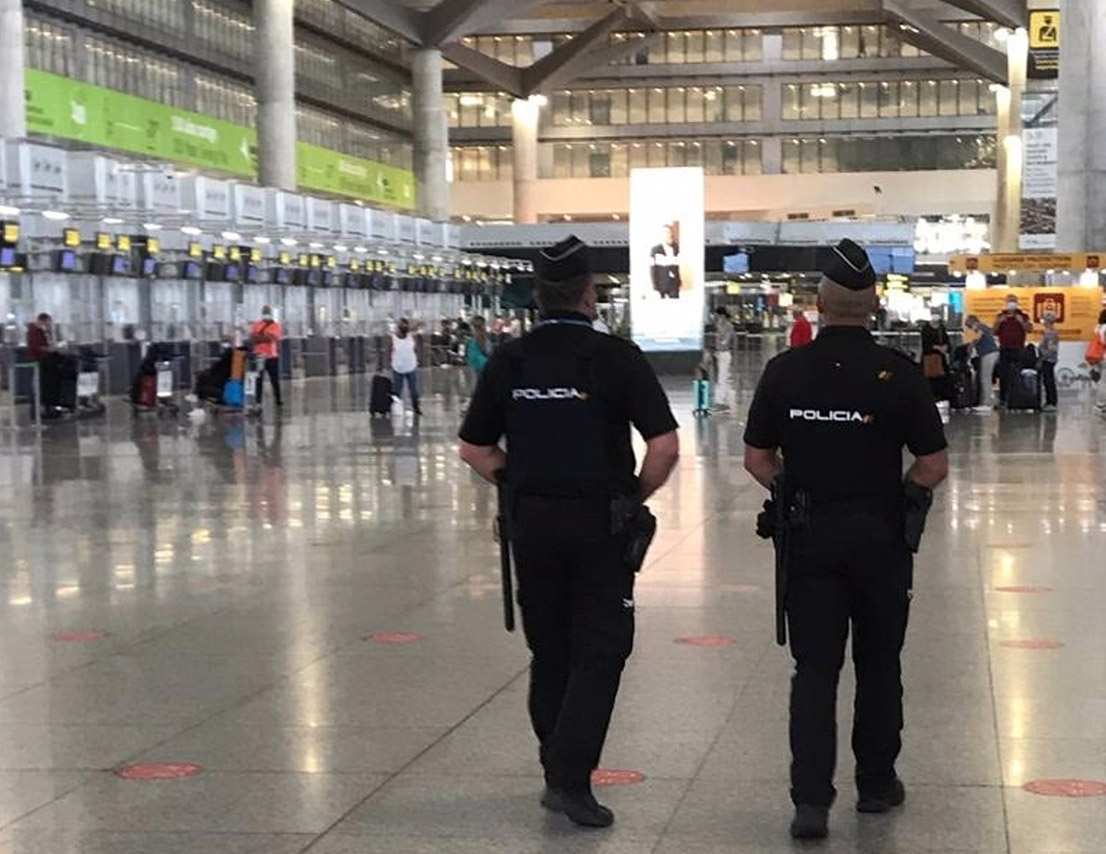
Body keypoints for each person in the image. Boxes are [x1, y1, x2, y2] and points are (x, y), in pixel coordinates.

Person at [458, 235, 680, 829]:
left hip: (531, 523)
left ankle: (555, 768)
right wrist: (633, 496)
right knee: (601, 649)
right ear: (589, 294)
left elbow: (474, 448)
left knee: (550, 648)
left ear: (538, 295)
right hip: (599, 523)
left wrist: (518, 482)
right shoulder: (617, 358)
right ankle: (571, 778)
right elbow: (663, 446)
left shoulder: (510, 360)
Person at [743, 239, 949, 841]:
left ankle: (811, 802)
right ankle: (877, 786)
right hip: (881, 538)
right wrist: (902, 496)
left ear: (820, 303)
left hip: (809, 537)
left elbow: (757, 457)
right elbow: (933, 464)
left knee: (814, 669)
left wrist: (789, 490)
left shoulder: (785, 371)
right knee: (879, 663)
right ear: (873, 304)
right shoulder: (900, 374)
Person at [994, 297, 1032, 405]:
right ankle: (1003, 398)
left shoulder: (1023, 316)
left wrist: (1022, 322)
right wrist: (999, 322)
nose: (1011, 304)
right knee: (1003, 374)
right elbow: (994, 331)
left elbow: (1029, 329)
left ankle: (1017, 397)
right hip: (1004, 348)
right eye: (1009, 302)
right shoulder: (1001, 316)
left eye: (1013, 302)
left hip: (1018, 349)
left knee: (1018, 373)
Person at [249, 306, 283, 408]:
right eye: (264, 312)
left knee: (274, 379)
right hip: (259, 356)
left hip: (272, 356)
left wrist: (260, 338)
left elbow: (272, 338)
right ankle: (258, 401)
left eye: (267, 312)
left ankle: (278, 400)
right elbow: (253, 338)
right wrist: (264, 337)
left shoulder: (276, 325)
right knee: (258, 379)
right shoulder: (257, 324)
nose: (266, 314)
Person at [965, 315, 999, 412]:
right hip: (991, 353)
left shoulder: (980, 327)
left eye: (969, 325)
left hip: (988, 354)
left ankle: (987, 403)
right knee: (986, 378)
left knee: (985, 378)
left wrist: (971, 345)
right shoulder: (984, 327)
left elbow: (978, 337)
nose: (970, 328)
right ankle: (993, 401)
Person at [390, 318, 422, 416]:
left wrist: (418, 358)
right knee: (399, 390)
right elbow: (389, 351)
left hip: (408, 366)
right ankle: (393, 407)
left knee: (412, 389)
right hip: (400, 367)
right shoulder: (394, 338)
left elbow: (416, 349)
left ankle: (415, 407)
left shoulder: (410, 336)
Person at [920, 313, 951, 401]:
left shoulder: (941, 329)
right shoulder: (926, 330)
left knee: (940, 378)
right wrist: (939, 348)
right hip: (930, 358)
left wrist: (945, 347)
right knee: (932, 379)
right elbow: (926, 345)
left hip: (939, 358)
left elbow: (947, 342)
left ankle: (940, 396)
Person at [650, 223, 681, 299]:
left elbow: (677, 266)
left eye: (669, 232)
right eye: (666, 233)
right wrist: (655, 288)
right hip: (661, 284)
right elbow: (653, 269)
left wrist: (679, 281)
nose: (668, 235)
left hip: (674, 283)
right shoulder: (655, 250)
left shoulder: (676, 247)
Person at [713, 306, 734, 410]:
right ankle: (722, 401)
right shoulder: (720, 325)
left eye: (717, 316)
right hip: (720, 353)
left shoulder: (727, 326)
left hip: (724, 353)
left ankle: (721, 402)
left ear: (722, 316)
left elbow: (725, 340)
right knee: (721, 377)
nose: (716, 318)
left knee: (722, 377)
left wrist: (720, 347)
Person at [1038, 312, 1060, 412]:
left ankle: (1051, 402)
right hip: (1048, 358)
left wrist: (1042, 355)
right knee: (1048, 380)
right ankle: (1050, 401)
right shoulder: (1050, 331)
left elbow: (1051, 349)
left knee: (1048, 381)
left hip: (1048, 359)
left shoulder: (1050, 333)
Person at [465, 315, 492, 380]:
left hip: (478, 365)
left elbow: (485, 351)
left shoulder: (480, 336)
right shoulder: (479, 336)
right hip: (477, 365)